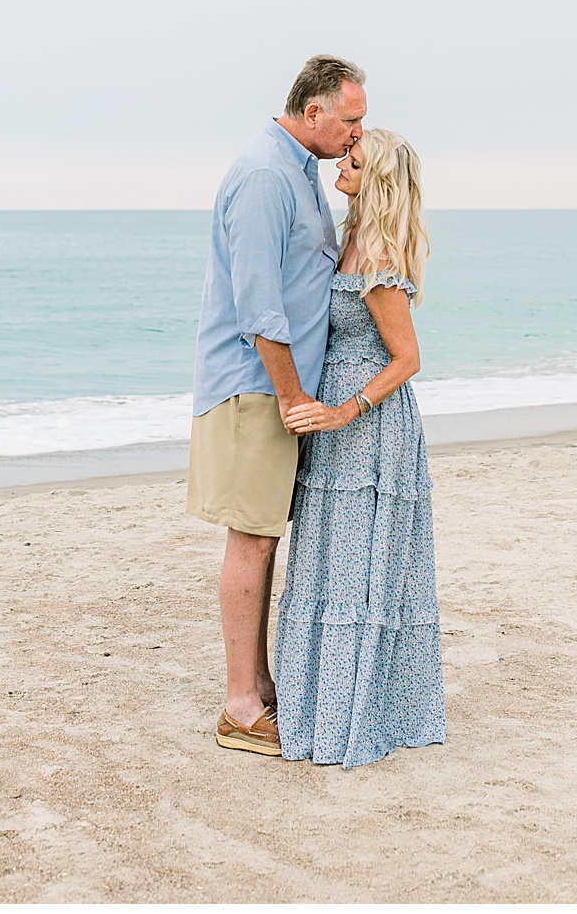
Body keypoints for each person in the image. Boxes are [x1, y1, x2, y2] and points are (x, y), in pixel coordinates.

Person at [188, 54, 367, 757]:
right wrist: (293, 396)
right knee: (253, 536)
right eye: (349, 120)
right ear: (312, 111)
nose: (357, 133)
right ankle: (240, 706)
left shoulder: (298, 171)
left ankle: (258, 685)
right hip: (255, 385)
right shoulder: (267, 175)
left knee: (263, 534)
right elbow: (259, 307)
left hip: (277, 385)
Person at [274, 130, 445, 767]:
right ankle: (317, 704)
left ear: (376, 181)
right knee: (328, 563)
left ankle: (354, 714)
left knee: (360, 571)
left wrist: (348, 408)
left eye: (353, 160)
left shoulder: (376, 257)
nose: (340, 164)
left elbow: (408, 358)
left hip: (369, 430)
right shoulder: (347, 239)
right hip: (334, 428)